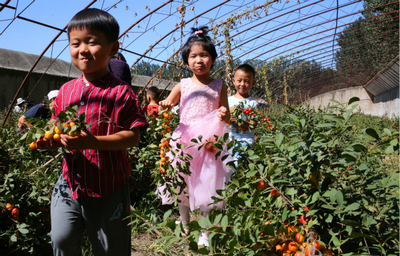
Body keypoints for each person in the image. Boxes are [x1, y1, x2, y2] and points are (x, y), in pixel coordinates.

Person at [36, 8, 148, 256]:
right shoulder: (66, 91)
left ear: (113, 48)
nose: (83, 49)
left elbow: (133, 135)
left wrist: (93, 141)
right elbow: (57, 129)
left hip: (107, 186)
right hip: (70, 182)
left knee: (110, 249)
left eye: (92, 42)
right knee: (61, 239)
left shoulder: (121, 93)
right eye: (75, 43)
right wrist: (51, 141)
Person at [156, 26, 232, 248]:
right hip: (184, 141)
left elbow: (228, 117)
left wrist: (225, 114)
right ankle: (185, 222)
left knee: (208, 186)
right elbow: (166, 106)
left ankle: (205, 233)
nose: (199, 60)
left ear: (213, 59)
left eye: (204, 55)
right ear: (186, 61)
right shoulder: (184, 85)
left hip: (209, 143)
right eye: (194, 56)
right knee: (182, 182)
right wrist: (164, 104)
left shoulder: (219, 86)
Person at [228, 64, 258, 150]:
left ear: (253, 83)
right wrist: (228, 113)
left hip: (244, 141)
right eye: (239, 80)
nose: (242, 84)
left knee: (237, 162)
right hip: (228, 140)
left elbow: (253, 125)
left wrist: (239, 121)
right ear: (233, 81)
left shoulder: (252, 103)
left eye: (247, 81)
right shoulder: (227, 101)